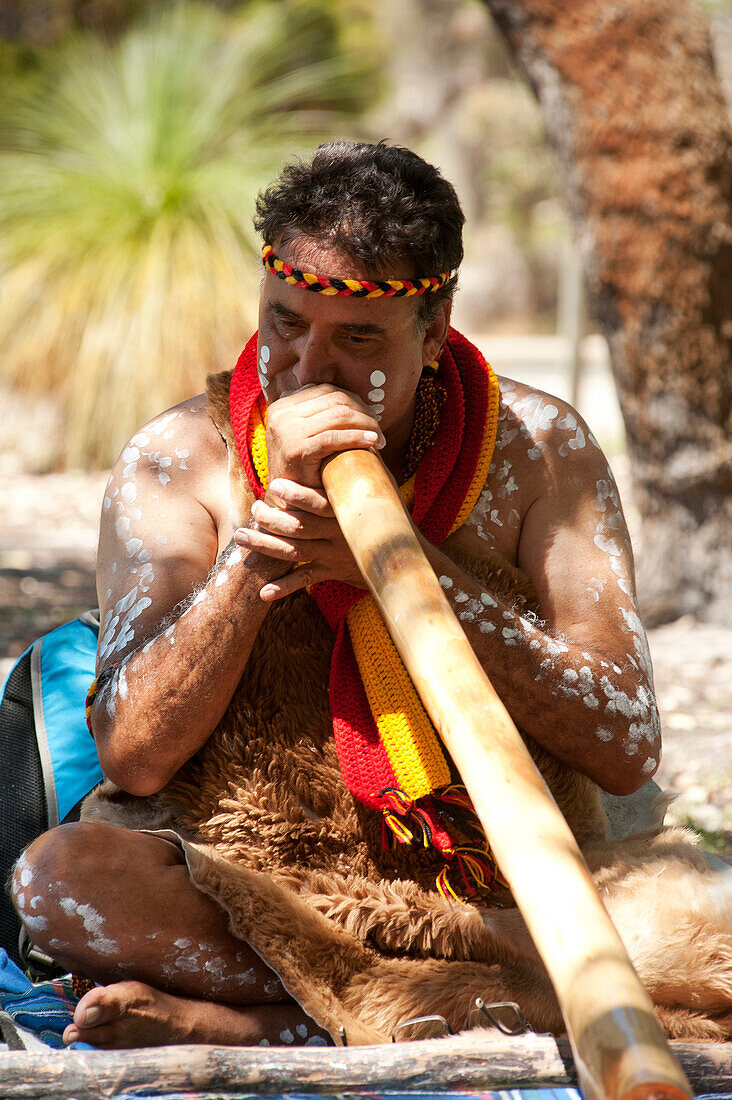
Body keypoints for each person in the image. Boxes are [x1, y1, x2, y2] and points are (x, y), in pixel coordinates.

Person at [11, 142, 667, 1049]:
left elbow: (626, 744)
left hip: (482, 889)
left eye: (358, 338)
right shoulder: (178, 460)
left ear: (432, 336)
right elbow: (134, 758)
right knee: (61, 881)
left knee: (697, 921)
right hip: (252, 882)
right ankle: (472, 1003)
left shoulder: (539, 450)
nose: (308, 368)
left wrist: (406, 570)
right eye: (285, 322)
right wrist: (255, 559)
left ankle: (264, 1021)